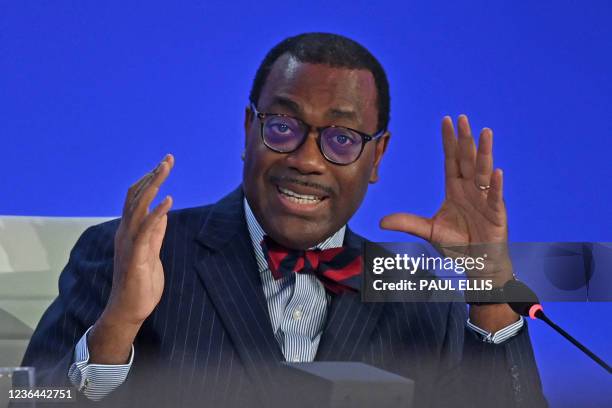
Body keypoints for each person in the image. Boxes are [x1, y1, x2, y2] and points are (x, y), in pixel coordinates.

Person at [21, 33, 547, 407]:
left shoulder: (418, 294)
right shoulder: (129, 251)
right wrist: (117, 325)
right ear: (249, 130)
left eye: (342, 138)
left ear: (378, 157)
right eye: (283, 126)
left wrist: (491, 284)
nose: (307, 159)